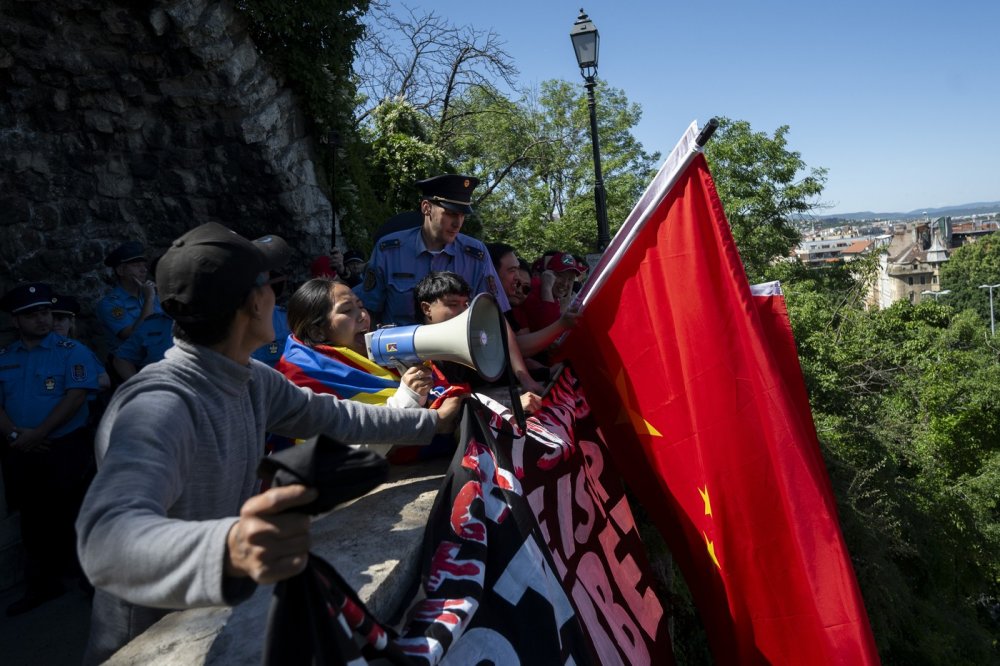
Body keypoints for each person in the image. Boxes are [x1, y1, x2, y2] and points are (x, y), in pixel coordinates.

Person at [75, 222, 462, 663]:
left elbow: (338, 416)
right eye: (269, 285)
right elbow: (106, 540)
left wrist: (430, 423)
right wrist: (231, 545)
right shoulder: (162, 404)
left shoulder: (251, 378)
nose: (278, 294)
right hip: (148, 639)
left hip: (217, 609)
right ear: (253, 304)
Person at [356, 174, 542, 392]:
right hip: (399, 367)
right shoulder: (389, 250)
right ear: (426, 207)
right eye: (450, 213)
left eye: (462, 215)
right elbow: (368, 312)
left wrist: (524, 378)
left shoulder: (476, 255)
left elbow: (496, 318)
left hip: (457, 370)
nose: (458, 223)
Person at [1, 283, 100, 616]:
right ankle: (43, 584)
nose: (42, 319)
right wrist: (16, 435)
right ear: (16, 321)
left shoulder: (71, 351)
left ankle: (94, 581)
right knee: (33, 517)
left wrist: (38, 433)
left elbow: (74, 397)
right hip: (23, 450)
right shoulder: (6, 358)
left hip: (64, 447)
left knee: (76, 513)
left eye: (44, 312)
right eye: (32, 315)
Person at [413, 272, 542, 414]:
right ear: (427, 309)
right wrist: (511, 404)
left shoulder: (466, 343)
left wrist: (540, 374)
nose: (464, 312)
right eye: (453, 304)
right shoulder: (414, 355)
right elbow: (444, 405)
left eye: (466, 304)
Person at [486, 244, 578, 363]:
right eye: (560, 276)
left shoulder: (555, 298)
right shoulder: (529, 295)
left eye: (570, 279)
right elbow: (515, 348)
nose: (520, 291)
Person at [95, 241, 161, 355]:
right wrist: (149, 299)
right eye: (136, 265)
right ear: (120, 270)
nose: (143, 270)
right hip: (131, 363)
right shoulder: (110, 303)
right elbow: (131, 334)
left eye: (143, 265)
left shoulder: (153, 293)